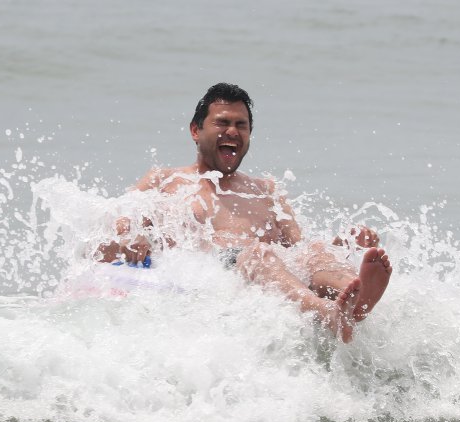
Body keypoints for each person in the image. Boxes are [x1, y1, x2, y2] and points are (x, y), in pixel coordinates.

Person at [96, 83, 392, 343]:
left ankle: (357, 295)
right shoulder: (164, 180)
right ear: (196, 130)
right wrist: (132, 234)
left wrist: (341, 244)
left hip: (271, 268)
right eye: (222, 122)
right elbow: (121, 220)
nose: (233, 132)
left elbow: (299, 249)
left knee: (313, 249)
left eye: (242, 125)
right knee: (257, 253)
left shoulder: (267, 190)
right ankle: (327, 312)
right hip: (212, 272)